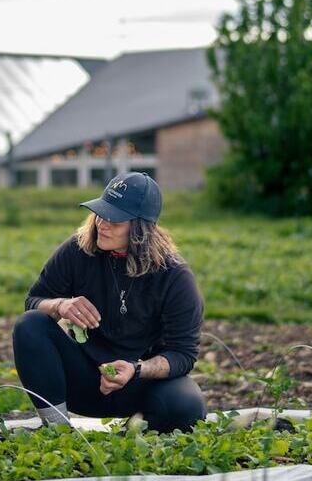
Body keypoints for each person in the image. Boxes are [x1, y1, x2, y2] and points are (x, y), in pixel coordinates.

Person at [12, 172, 205, 432]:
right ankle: (57, 430)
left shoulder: (174, 276)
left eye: (115, 219)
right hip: (84, 380)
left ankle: (133, 430)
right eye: (101, 213)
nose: (102, 223)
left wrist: (136, 370)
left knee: (187, 405)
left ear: (141, 229)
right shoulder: (77, 250)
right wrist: (60, 306)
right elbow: (33, 300)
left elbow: (183, 354)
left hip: (138, 383)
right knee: (30, 325)